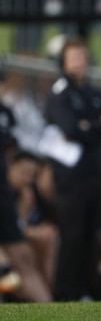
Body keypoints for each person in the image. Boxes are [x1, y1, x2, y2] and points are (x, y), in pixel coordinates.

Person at [43, 37, 101, 301]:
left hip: (96, 174)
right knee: (72, 237)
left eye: (82, 57)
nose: (79, 62)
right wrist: (94, 126)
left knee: (92, 237)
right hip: (70, 179)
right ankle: (64, 293)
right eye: (73, 57)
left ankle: (85, 290)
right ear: (62, 62)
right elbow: (71, 129)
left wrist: (90, 128)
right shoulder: (59, 94)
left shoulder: (94, 93)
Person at [0, 102, 53, 303]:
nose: (28, 178)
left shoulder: (6, 112)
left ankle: (51, 313)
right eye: (24, 173)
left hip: (2, 197)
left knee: (23, 256)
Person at [6, 149, 59, 290]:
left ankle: (47, 295)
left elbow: (22, 225)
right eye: (24, 173)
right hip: (7, 245)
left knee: (47, 242)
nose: (28, 179)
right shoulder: (5, 194)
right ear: (11, 166)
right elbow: (10, 230)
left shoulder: (28, 194)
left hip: (17, 241)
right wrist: (33, 232)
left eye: (32, 175)